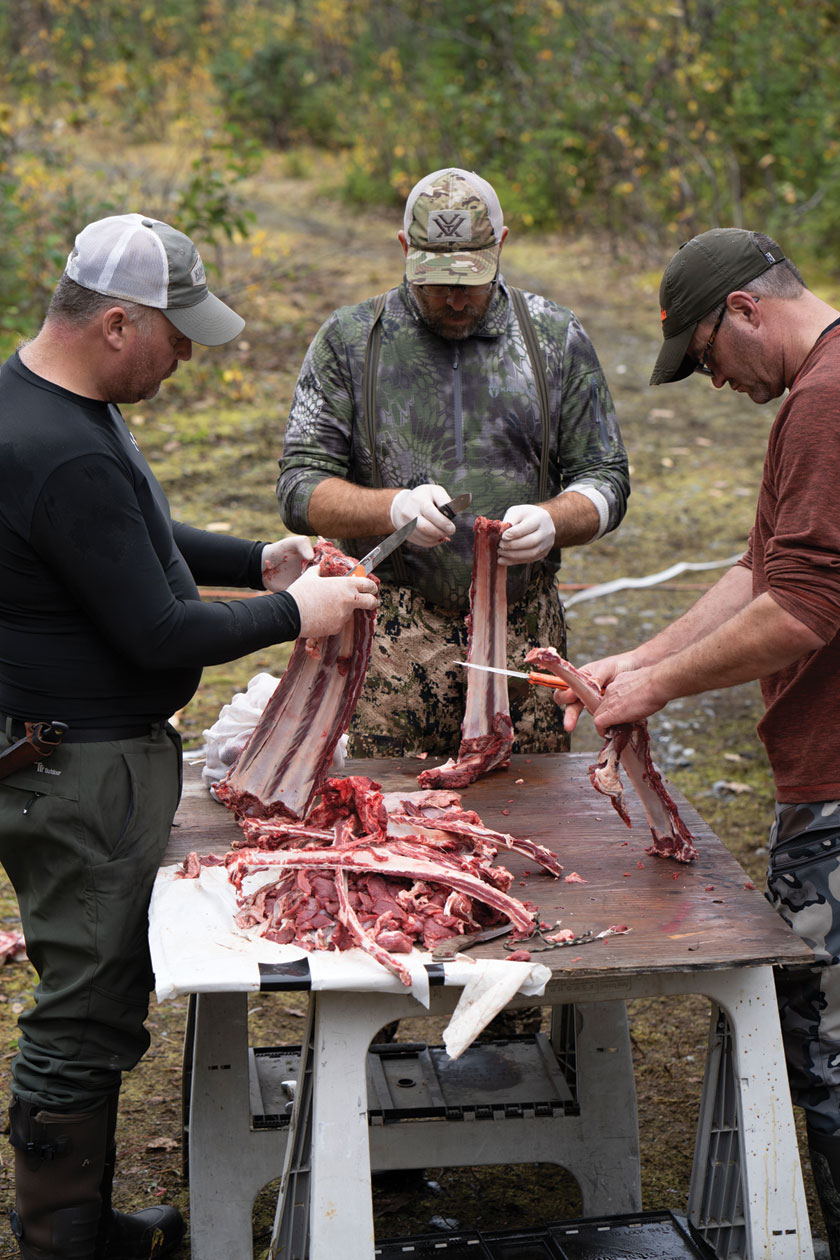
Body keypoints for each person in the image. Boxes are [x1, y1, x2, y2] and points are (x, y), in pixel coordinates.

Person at [0, 213, 378, 1260]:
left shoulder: (41, 403)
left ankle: (74, 1220)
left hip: (65, 753)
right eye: (178, 337)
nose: (186, 357)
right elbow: (158, 627)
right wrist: (298, 616)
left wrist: (256, 558)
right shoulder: (58, 445)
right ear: (118, 323)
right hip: (76, 767)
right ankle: (61, 1237)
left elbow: (130, 533)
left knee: (102, 985)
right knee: (83, 1008)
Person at [561, 227, 840, 1256]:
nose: (713, 382)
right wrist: (640, 662)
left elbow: (806, 609)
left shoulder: (824, 399)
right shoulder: (818, 393)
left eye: (706, 358)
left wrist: (658, 691)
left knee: (833, 1064)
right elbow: (759, 571)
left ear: (744, 310)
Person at [276, 167, 630, 759]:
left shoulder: (552, 338)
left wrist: (556, 518)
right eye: (437, 280)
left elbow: (608, 478)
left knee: (534, 823)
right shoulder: (350, 339)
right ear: (404, 249)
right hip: (386, 644)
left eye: (471, 278)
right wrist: (391, 507)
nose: (456, 297)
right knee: (383, 828)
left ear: (503, 245)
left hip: (523, 647)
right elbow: (298, 487)